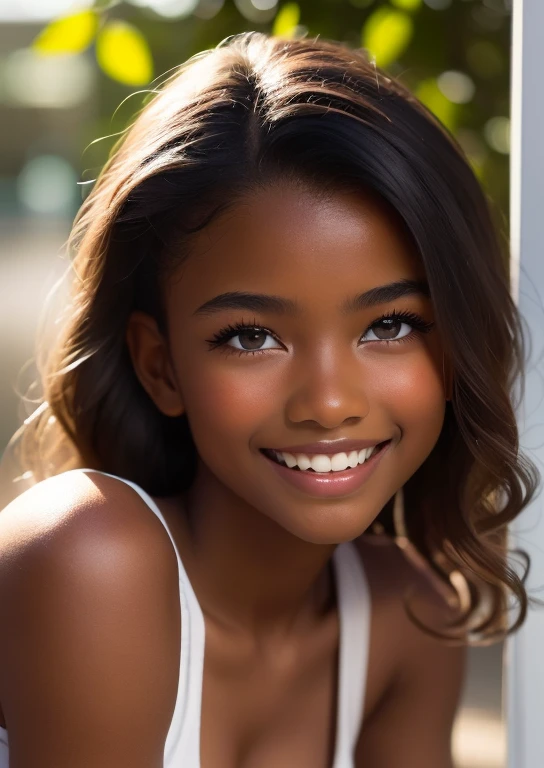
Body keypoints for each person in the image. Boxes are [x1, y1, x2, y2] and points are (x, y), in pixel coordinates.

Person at [0, 31, 537, 768]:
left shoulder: (405, 615)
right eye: (251, 337)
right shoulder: (89, 557)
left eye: (390, 325)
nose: (328, 402)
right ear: (160, 367)